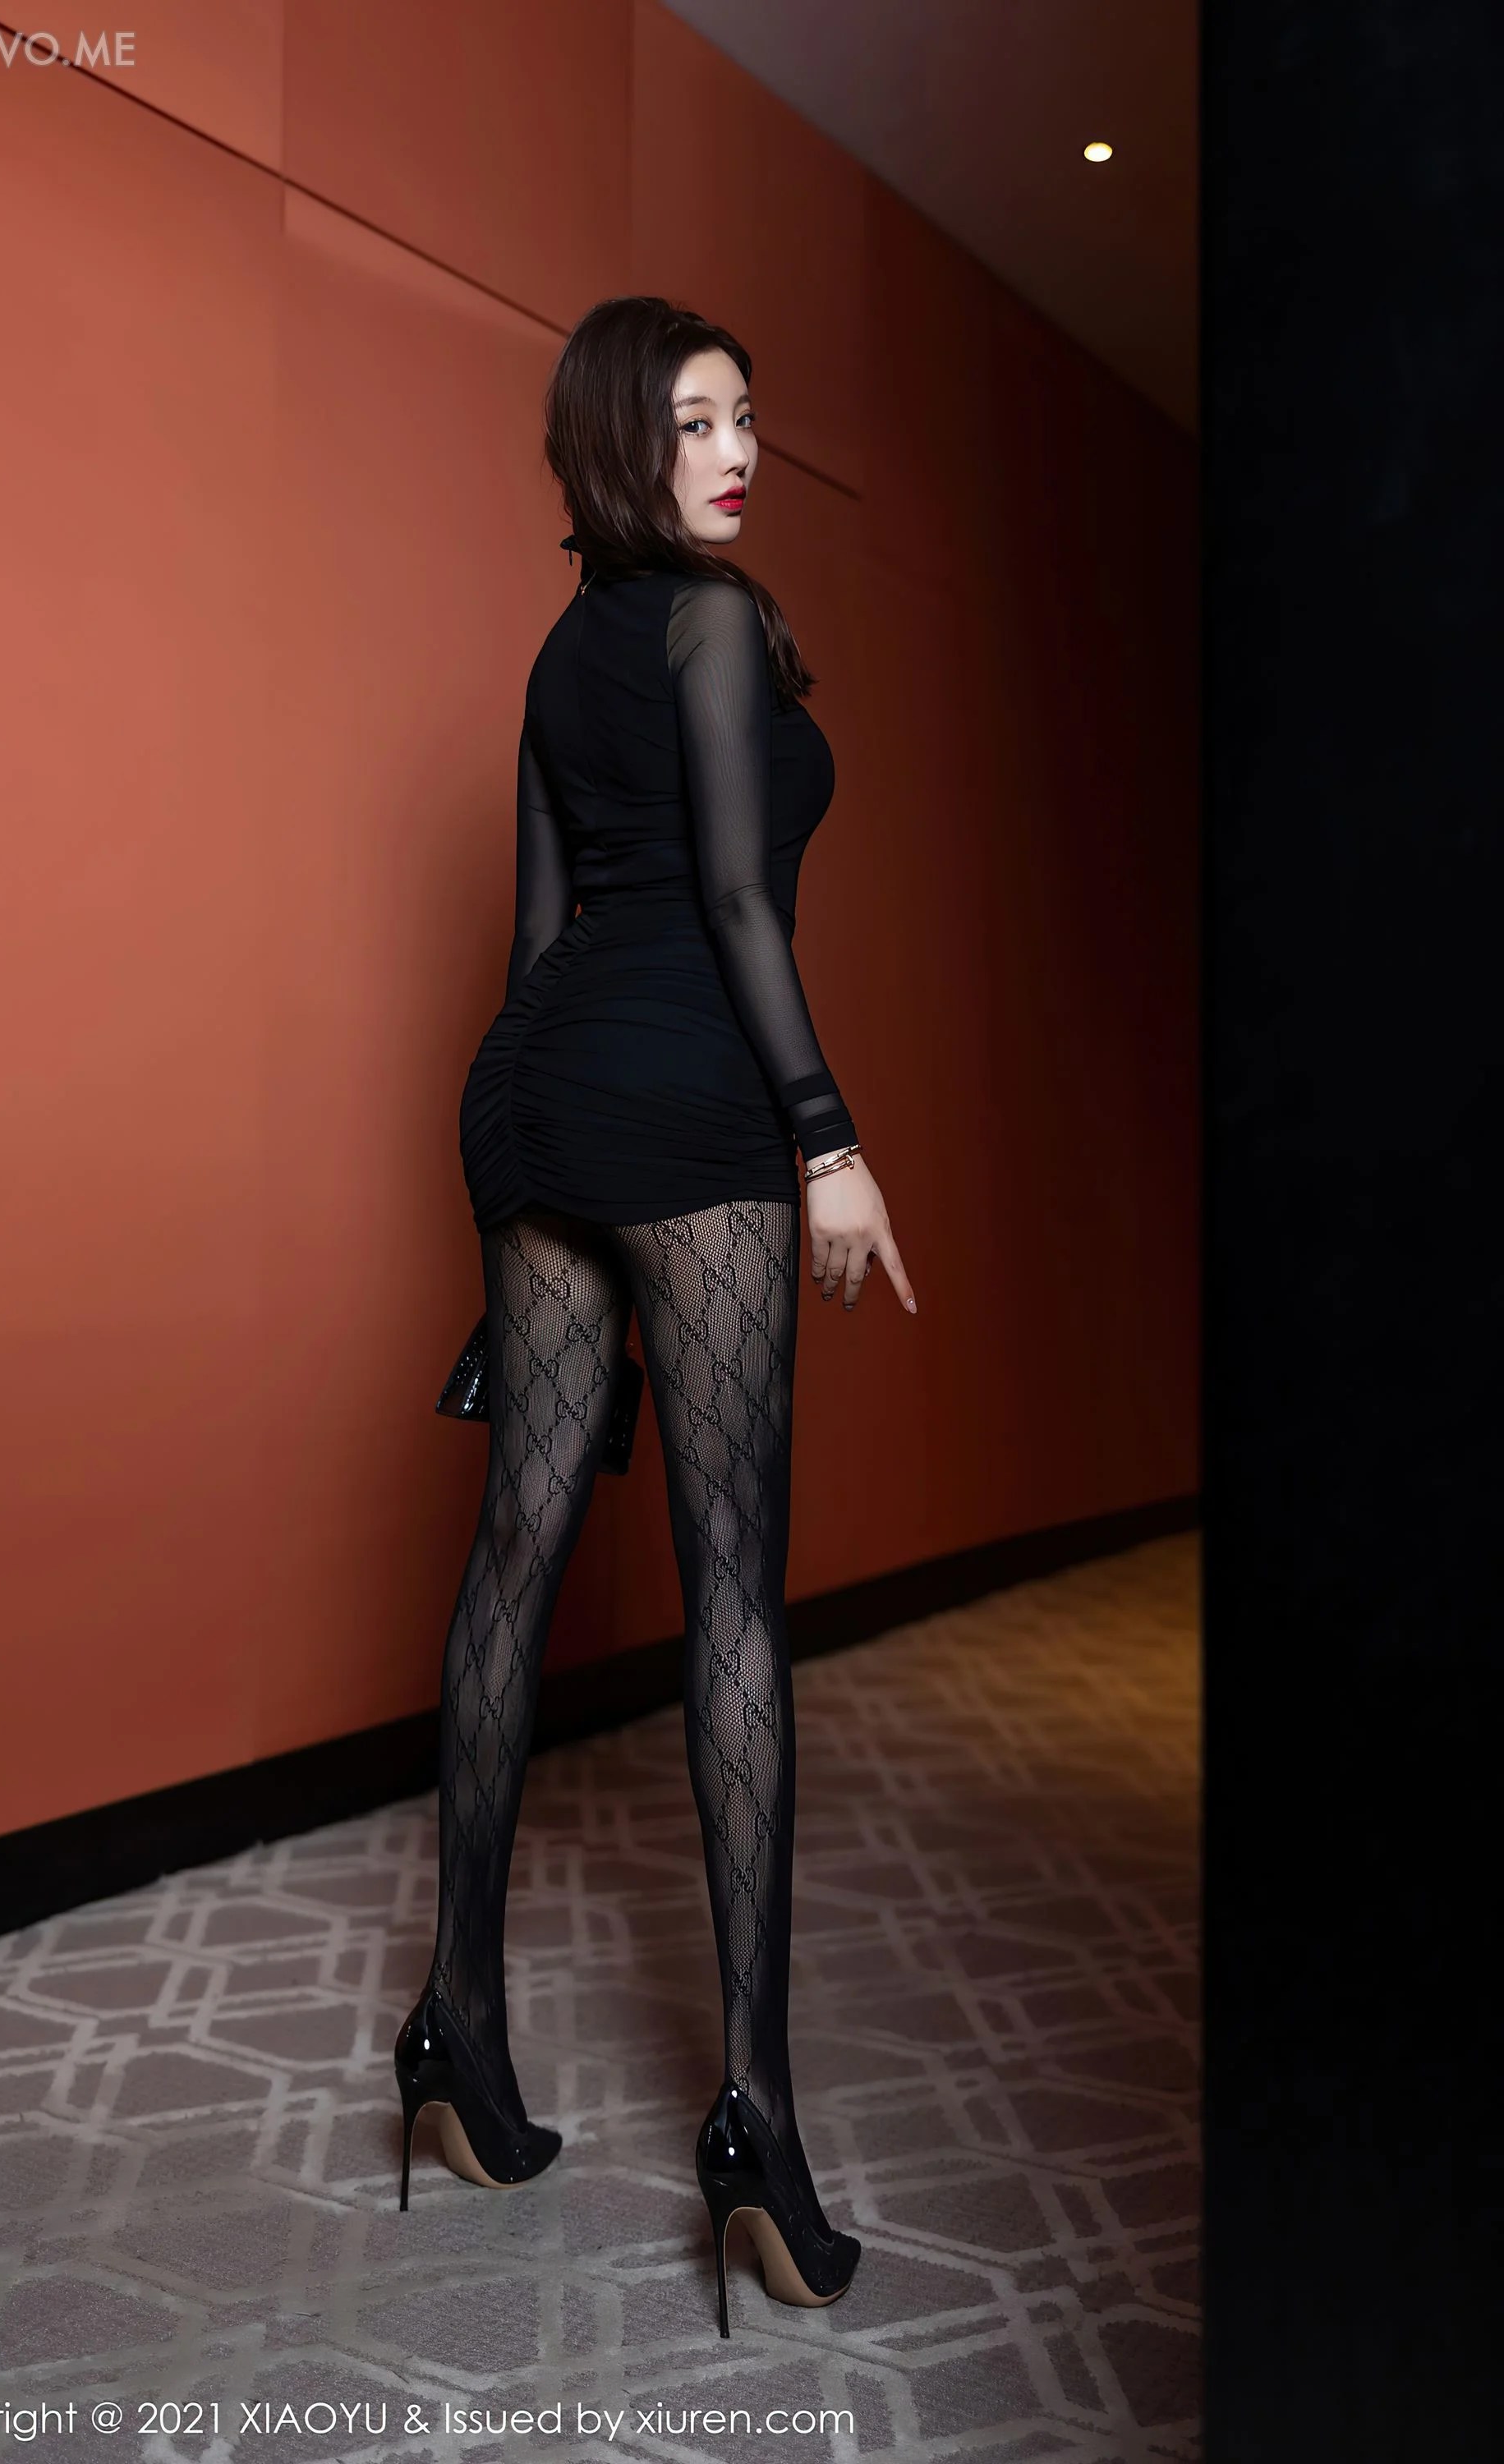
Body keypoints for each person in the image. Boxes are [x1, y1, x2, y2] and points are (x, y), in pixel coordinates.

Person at [393, 295, 917, 2337]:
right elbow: (735, 902)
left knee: (516, 1543)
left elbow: (538, 933)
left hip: (531, 1097)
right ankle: (754, 2124)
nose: (738, 450)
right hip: (688, 1105)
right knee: (733, 1602)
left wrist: (522, 1194)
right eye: (697, 421)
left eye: (747, 415)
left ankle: (453, 2025)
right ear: (624, 440)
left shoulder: (555, 656)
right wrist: (828, 1140)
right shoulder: (705, 624)